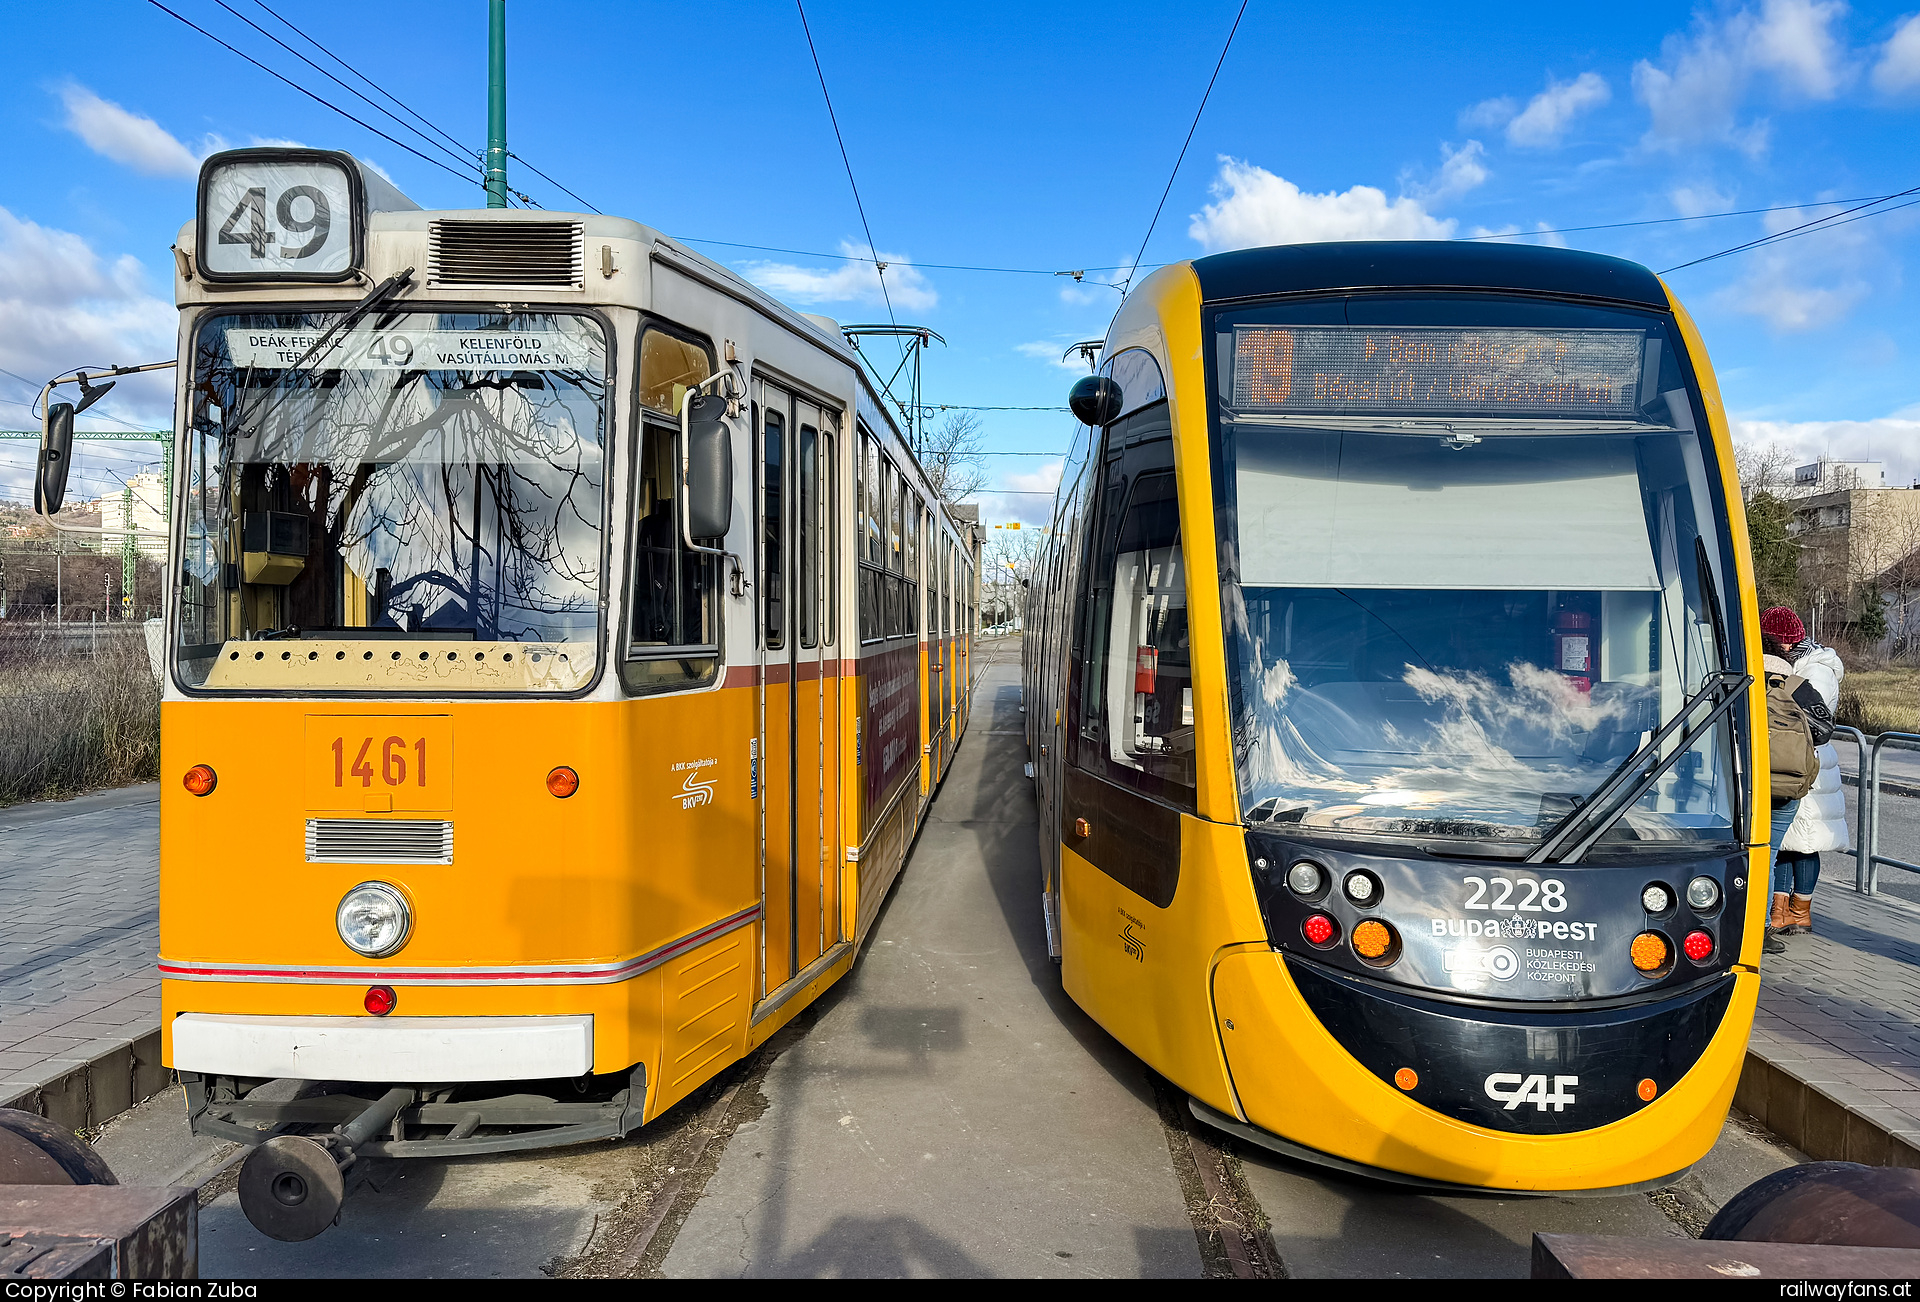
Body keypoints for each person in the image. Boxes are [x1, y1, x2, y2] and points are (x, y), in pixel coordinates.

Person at [1759, 606, 1844, 947]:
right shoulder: (1796, 669)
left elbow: (1820, 724)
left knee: (1804, 845)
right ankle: (1779, 910)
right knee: (1785, 844)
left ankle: (1799, 910)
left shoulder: (1814, 670)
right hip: (1794, 763)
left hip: (1803, 765)